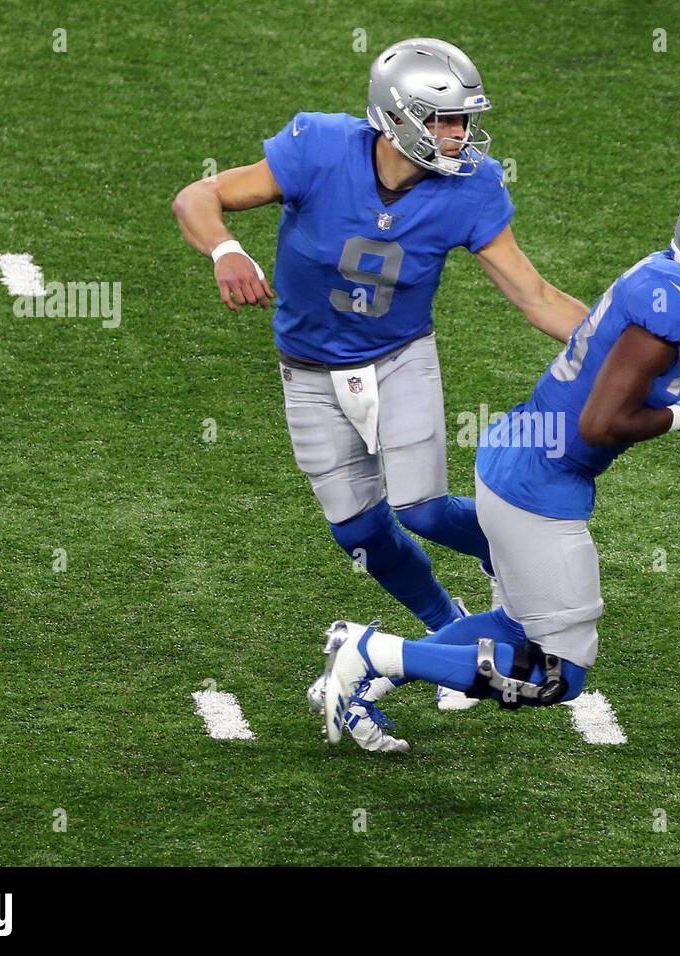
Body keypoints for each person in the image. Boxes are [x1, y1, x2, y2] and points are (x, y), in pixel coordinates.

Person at [171, 38, 590, 738]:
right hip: (306, 369)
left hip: (400, 358)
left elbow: (536, 296)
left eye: (464, 119)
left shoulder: (473, 188)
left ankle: (500, 560)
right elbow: (199, 196)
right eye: (444, 119)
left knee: (421, 507)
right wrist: (226, 247)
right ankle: (449, 625)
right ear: (396, 116)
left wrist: (628, 350)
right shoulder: (320, 147)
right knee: (358, 529)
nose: (460, 135)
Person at [322, 181, 680, 752]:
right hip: (540, 482)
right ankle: (369, 654)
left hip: (525, 454)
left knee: (513, 628)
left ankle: (363, 676)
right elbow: (600, 426)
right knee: (557, 673)